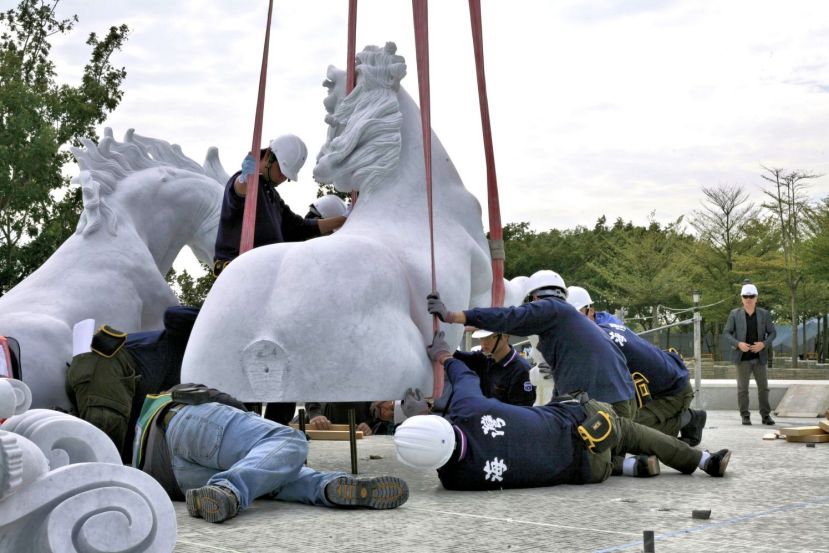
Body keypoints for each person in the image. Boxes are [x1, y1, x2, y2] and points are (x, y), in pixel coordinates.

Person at [393, 332, 731, 491]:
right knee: (631, 431)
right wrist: (443, 356)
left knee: (554, 457)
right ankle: (701, 460)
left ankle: (626, 465)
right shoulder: (470, 408)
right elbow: (461, 374)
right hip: (585, 422)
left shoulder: (455, 481)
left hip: (587, 472)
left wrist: (413, 418)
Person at [428, 270, 636, 474]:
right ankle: (633, 464)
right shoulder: (569, 328)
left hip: (605, 407)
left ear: (536, 298)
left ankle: (634, 463)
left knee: (586, 457)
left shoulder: (552, 309)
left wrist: (453, 316)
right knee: (611, 458)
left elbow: (510, 317)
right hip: (621, 399)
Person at [213, 136, 347, 425]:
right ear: (270, 159)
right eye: (283, 172)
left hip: (268, 289)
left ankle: (275, 428)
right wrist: (245, 179)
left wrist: (342, 222)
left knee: (284, 358)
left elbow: (300, 227)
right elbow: (238, 191)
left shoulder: (272, 197)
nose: (285, 180)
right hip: (240, 285)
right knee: (248, 364)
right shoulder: (247, 184)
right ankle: (246, 427)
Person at [132, 384, 409, 523]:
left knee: (267, 473)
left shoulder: (139, 420)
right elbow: (229, 403)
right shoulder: (180, 392)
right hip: (184, 422)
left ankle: (326, 487)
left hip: (168, 477)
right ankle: (230, 488)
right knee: (289, 440)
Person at [566, 286, 706, 446]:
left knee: (626, 431)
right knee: (621, 423)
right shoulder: (605, 323)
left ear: (591, 311)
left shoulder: (600, 337)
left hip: (672, 390)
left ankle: (688, 419)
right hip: (656, 382)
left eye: (576, 315)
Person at [723, 283, 777, 425]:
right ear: (742, 298)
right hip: (742, 359)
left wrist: (763, 344)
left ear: (756, 298)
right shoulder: (734, 314)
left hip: (760, 358)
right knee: (742, 389)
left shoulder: (764, 314)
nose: (748, 299)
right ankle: (745, 416)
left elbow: (772, 332)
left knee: (764, 388)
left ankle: (766, 416)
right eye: (745, 296)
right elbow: (726, 333)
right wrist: (738, 344)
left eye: (751, 296)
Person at [452, 328, 535, 406]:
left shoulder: (521, 370)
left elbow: (522, 412)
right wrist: (459, 329)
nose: (483, 343)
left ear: (505, 336)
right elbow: (455, 355)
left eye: (488, 338)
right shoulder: (485, 359)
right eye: (481, 338)